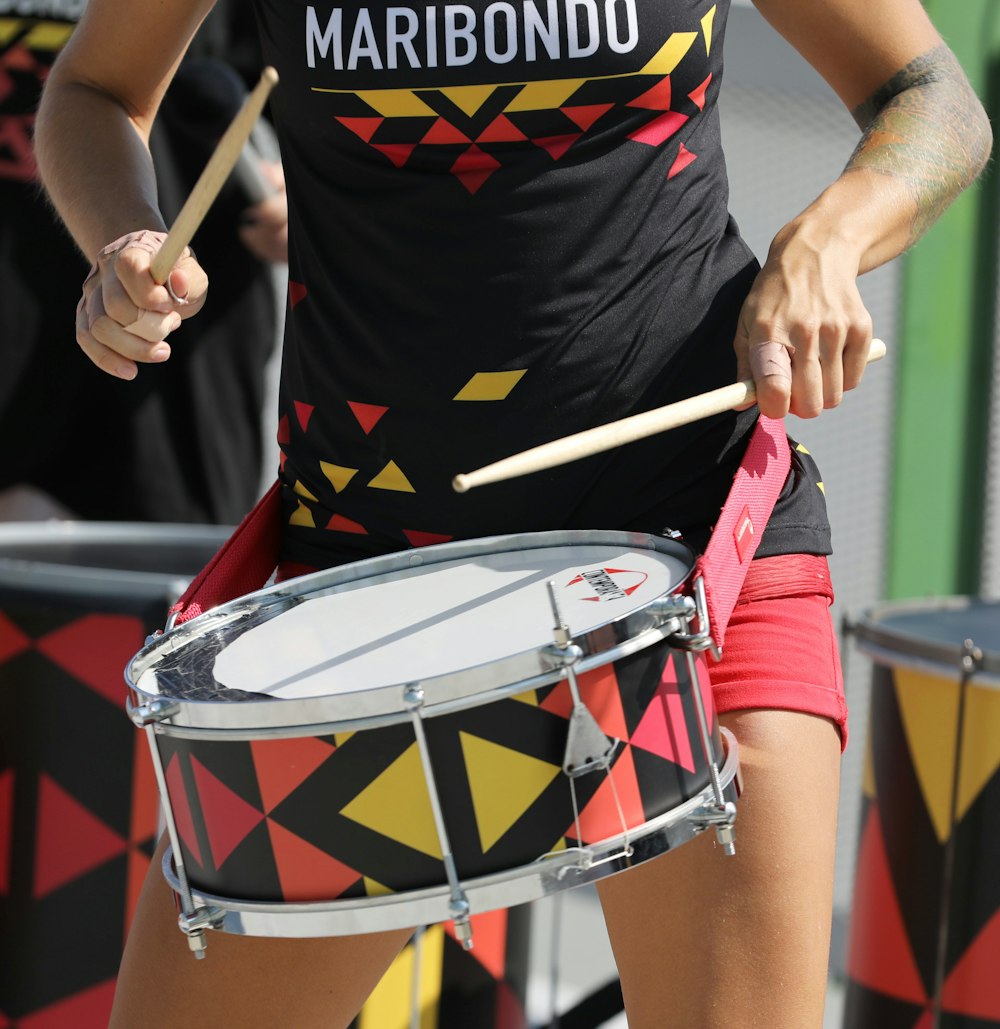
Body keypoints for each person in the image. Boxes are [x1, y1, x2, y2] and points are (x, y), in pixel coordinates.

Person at [32, 0, 990, 1024]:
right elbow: (92, 91)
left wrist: (827, 241)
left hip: (693, 564)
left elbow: (933, 100)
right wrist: (125, 238)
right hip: (360, 602)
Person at [0, 0, 284, 526]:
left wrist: (302, 192)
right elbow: (92, 90)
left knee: (170, 589)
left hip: (171, 345)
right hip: (22, 304)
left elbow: (304, 81)